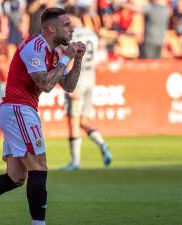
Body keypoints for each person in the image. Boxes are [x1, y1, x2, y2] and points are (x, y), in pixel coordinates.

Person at [0, 7, 85, 225]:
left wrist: (76, 60)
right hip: (18, 109)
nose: (72, 29)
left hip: (20, 110)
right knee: (39, 166)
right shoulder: (35, 47)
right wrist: (65, 60)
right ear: (50, 28)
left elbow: (68, 85)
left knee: (16, 177)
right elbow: (46, 85)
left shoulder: (54, 51)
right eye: (67, 25)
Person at [60, 7, 111, 171]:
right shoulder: (92, 35)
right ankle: (102, 144)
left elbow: (69, 60)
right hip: (91, 80)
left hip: (77, 81)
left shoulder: (72, 35)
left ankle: (75, 162)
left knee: (73, 122)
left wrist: (68, 84)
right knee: (83, 121)